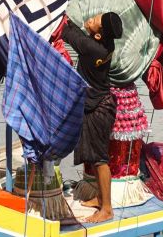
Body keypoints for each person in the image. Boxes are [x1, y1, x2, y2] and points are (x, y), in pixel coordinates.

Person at [61, 12, 123, 223]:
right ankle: (99, 197)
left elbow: (68, 34)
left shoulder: (92, 48)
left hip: (98, 109)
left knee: (99, 160)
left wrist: (58, 16)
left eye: (97, 20)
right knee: (96, 157)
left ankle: (107, 208)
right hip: (100, 102)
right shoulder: (104, 46)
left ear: (98, 36)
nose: (93, 17)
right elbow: (78, 33)